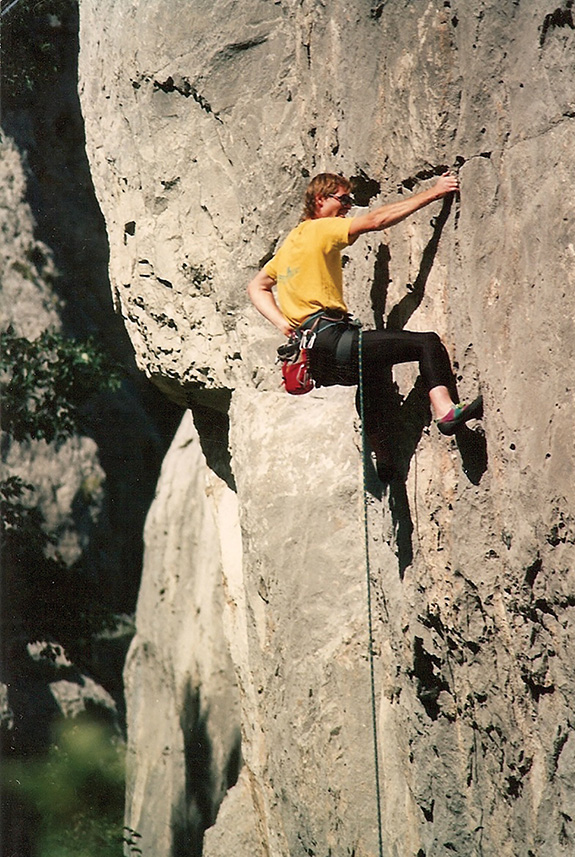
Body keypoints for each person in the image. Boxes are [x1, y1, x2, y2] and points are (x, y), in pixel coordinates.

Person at [247, 171, 483, 481]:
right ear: (320, 199)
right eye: (342, 199)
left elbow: (257, 286)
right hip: (332, 339)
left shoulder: (292, 242)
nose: (347, 207)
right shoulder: (320, 229)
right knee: (426, 342)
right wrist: (433, 193)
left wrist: (285, 325)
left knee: (373, 372)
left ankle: (383, 457)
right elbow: (375, 221)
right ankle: (445, 410)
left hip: (317, 360)